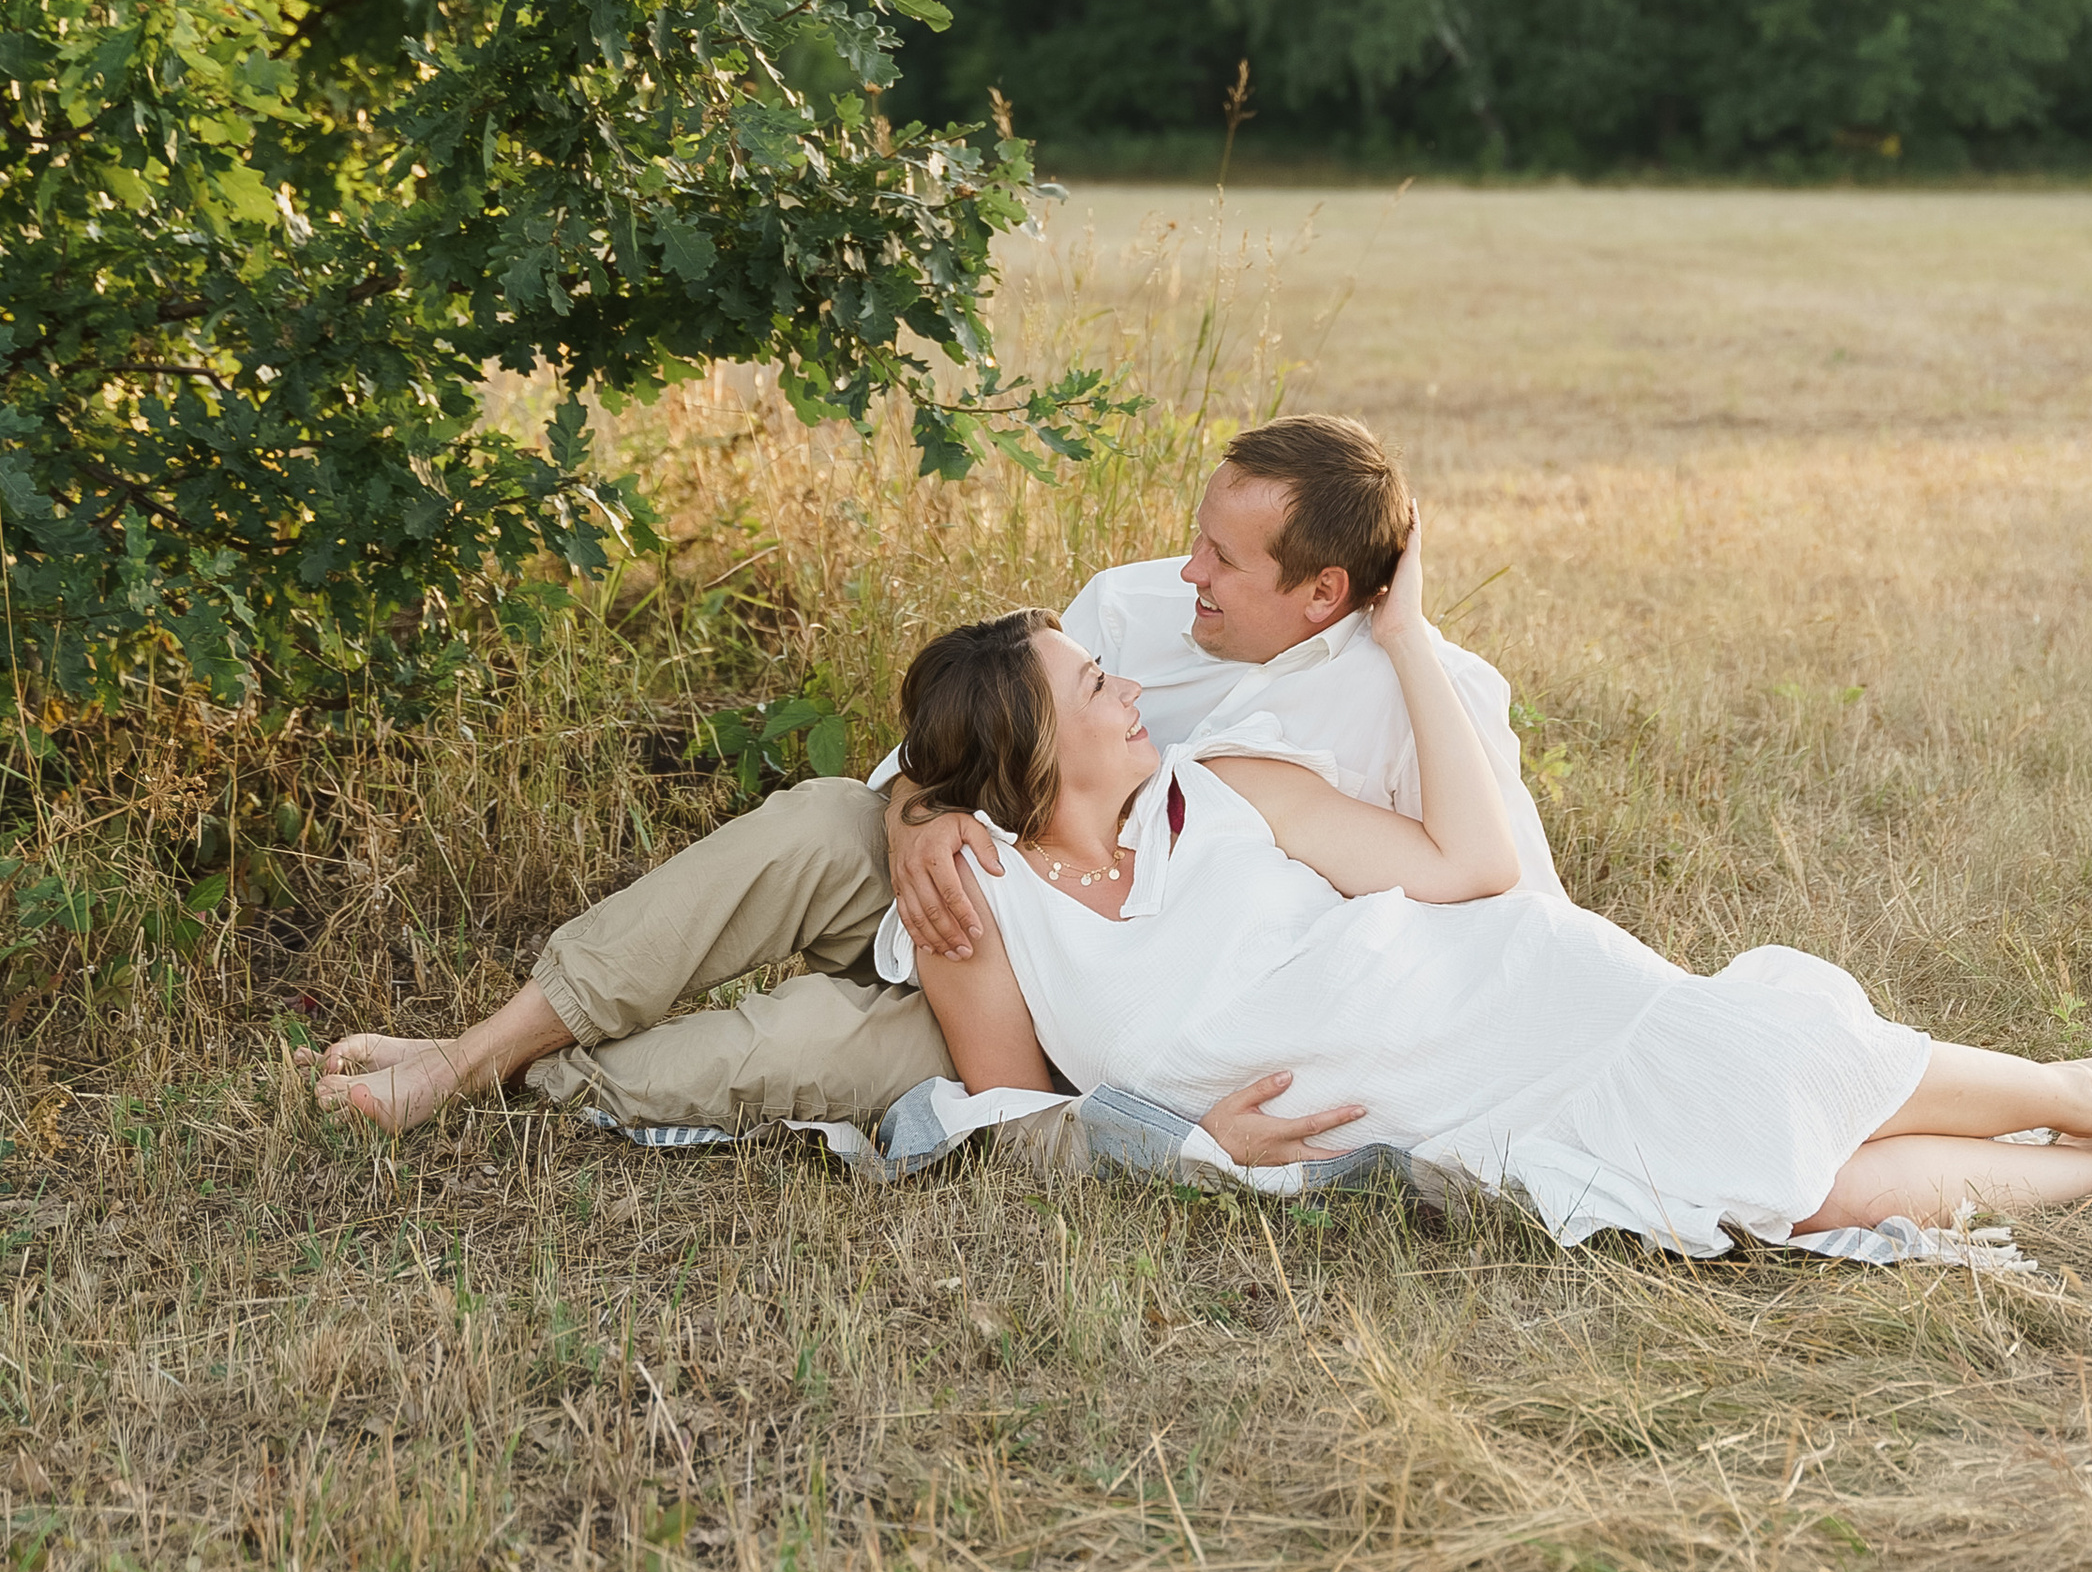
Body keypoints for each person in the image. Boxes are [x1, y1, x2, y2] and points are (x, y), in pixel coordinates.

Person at [882, 525, 2092, 1249]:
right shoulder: (981, 904)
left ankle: (2072, 1097)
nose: (1131, 685)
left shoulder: (1232, 785)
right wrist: (1197, 1152)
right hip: (1446, 1115)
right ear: (1024, 742)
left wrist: (1410, 634)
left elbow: (1469, 868)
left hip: (1506, 997)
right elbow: (1013, 1120)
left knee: (1775, 1073)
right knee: (1786, 1206)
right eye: (1091, 682)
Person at [309, 413, 1541, 1136]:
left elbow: (1501, 910)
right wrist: (912, 816)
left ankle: (523, 1082)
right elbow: (967, 734)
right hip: (984, 875)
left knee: (783, 1052)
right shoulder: (1132, 610)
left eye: (1222, 559)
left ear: (1322, 591)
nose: (1187, 575)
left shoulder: (1412, 698)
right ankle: (468, 1055)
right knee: (811, 825)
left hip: (1085, 1003)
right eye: (1196, 537)